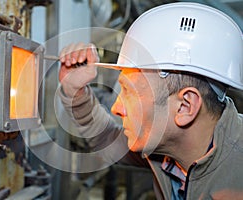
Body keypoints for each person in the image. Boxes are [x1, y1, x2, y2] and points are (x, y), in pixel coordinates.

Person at [58, 2, 243, 200]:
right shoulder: (164, 149)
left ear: (185, 106)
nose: (115, 108)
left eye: (129, 91)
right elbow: (107, 140)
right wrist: (75, 92)